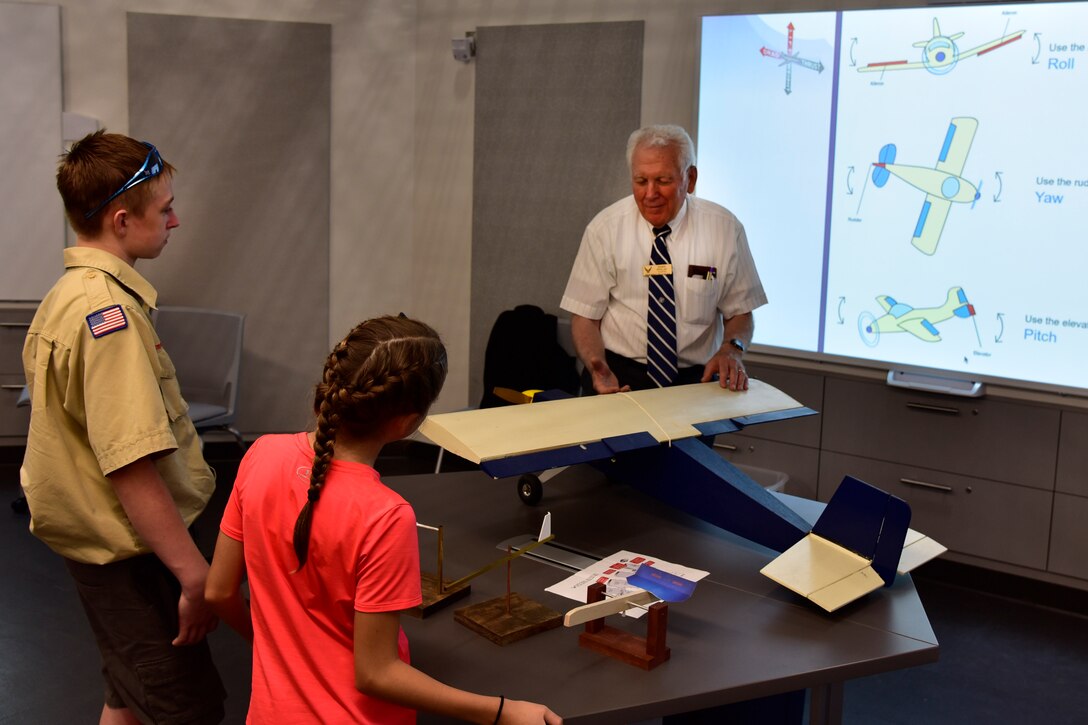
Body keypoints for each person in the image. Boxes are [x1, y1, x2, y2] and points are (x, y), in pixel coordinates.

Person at [205, 316, 562, 724]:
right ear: (407, 422)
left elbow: (218, 592)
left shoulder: (261, 454)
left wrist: (277, 649)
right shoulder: (384, 515)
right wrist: (501, 711)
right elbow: (377, 673)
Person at [20, 131, 225, 724]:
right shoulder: (106, 317)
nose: (174, 220)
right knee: (183, 708)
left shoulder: (66, 296)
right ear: (121, 221)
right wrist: (193, 576)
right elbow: (130, 465)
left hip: (102, 550)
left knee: (127, 695)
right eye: (164, 209)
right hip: (134, 560)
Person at [560, 124, 767, 395]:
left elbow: (740, 311)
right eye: (641, 181)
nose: (650, 194)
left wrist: (732, 349)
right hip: (618, 378)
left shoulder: (725, 230)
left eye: (663, 181)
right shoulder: (605, 229)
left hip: (697, 380)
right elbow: (585, 316)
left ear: (690, 179)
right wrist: (596, 365)